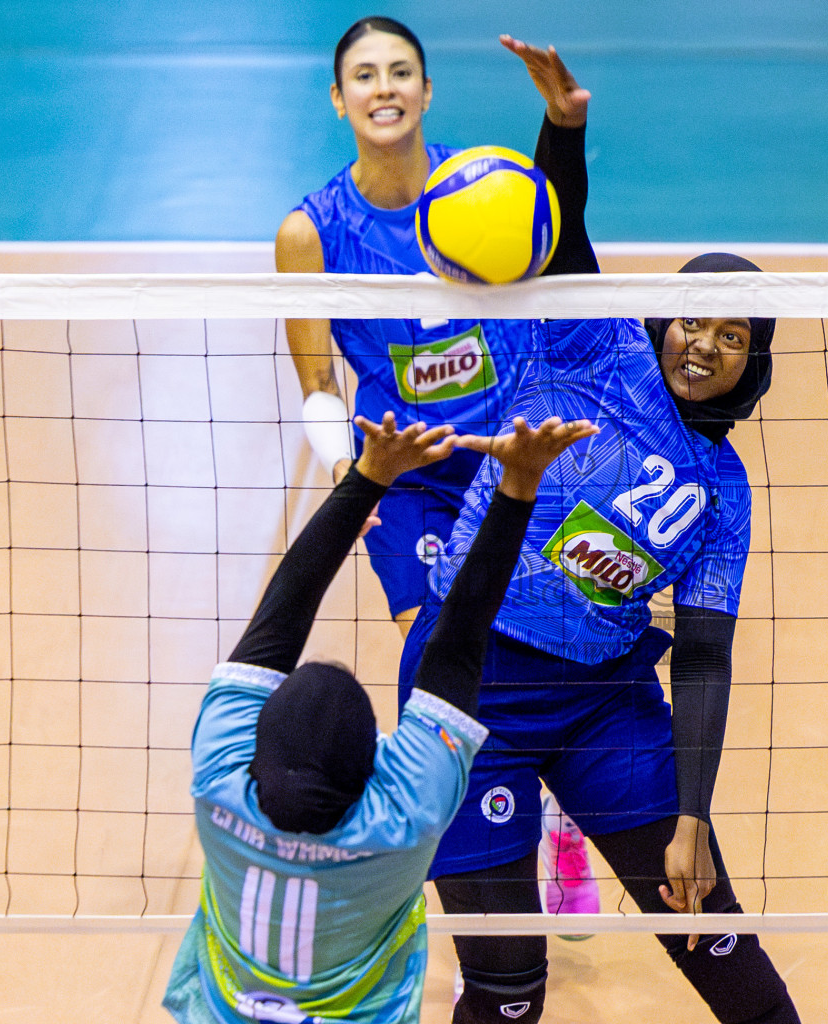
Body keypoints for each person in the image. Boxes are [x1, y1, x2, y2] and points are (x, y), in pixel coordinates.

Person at [395, 229, 799, 1018]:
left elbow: (705, 656)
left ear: (754, 360)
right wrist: (566, 128)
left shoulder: (725, 489)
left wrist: (694, 816)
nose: (703, 345)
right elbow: (565, 230)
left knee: (718, 942)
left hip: (604, 703)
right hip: (472, 692)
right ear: (662, 320)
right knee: (508, 992)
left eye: (732, 336)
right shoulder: (596, 341)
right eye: (692, 321)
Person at [275, 17, 603, 919]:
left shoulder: (488, 187)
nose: (384, 88)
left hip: (515, 454)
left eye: (401, 73)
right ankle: (467, 851)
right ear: (339, 99)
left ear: (425, 92)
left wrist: (563, 129)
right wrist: (354, 477)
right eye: (365, 76)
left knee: (537, 639)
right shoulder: (311, 233)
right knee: (438, 648)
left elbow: (565, 262)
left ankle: (552, 811)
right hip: (412, 472)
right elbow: (316, 381)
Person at [162, 411, 597, 1024]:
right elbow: (458, 638)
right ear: (374, 766)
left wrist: (368, 475)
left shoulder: (219, 782)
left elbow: (282, 617)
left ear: (254, 753)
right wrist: (520, 479)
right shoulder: (402, 818)